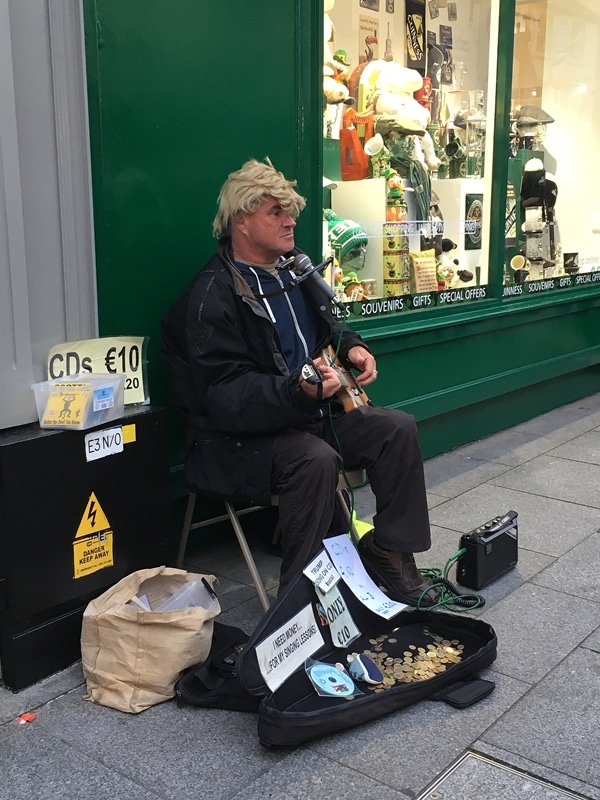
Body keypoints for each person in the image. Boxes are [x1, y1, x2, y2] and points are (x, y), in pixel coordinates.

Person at [161, 158, 439, 605]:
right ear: (242, 221)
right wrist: (298, 391)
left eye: (290, 210)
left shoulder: (294, 270)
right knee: (315, 458)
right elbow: (224, 398)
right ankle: (301, 600)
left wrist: (352, 346)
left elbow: (330, 327)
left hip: (307, 414)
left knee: (396, 428)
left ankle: (390, 550)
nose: (291, 221)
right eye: (276, 212)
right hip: (233, 441)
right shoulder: (212, 295)